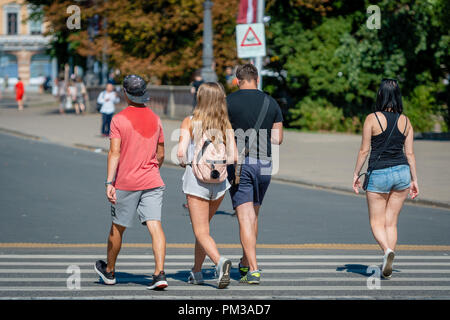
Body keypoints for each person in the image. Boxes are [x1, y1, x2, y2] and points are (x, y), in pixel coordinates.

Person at [94, 74, 168, 290]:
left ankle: (109, 271)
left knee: (117, 228)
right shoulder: (156, 118)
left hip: (126, 182)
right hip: (152, 179)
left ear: (125, 93)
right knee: (155, 225)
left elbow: (114, 152)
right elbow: (161, 152)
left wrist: (109, 182)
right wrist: (153, 169)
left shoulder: (119, 119)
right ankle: (159, 273)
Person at [352, 78, 419, 279]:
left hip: (379, 173)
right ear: (398, 96)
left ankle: (386, 251)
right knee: (391, 223)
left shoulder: (372, 119)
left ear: (380, 95)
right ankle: (387, 262)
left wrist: (356, 173)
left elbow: (364, 150)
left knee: (376, 222)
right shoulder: (406, 121)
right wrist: (415, 180)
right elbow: (410, 155)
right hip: (402, 173)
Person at [226, 64, 284, 284]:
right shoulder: (271, 102)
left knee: (244, 217)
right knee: (253, 216)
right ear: (257, 79)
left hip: (241, 165)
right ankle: (243, 261)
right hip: (266, 164)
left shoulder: (229, 102)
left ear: (238, 80)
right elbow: (278, 138)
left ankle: (254, 268)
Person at [177, 82, 237, 289]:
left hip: (196, 182)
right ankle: (196, 271)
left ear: (200, 99)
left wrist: (185, 160)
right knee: (204, 231)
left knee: (201, 231)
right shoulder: (225, 124)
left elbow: (180, 153)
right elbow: (234, 156)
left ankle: (220, 262)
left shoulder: (190, 122)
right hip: (220, 184)